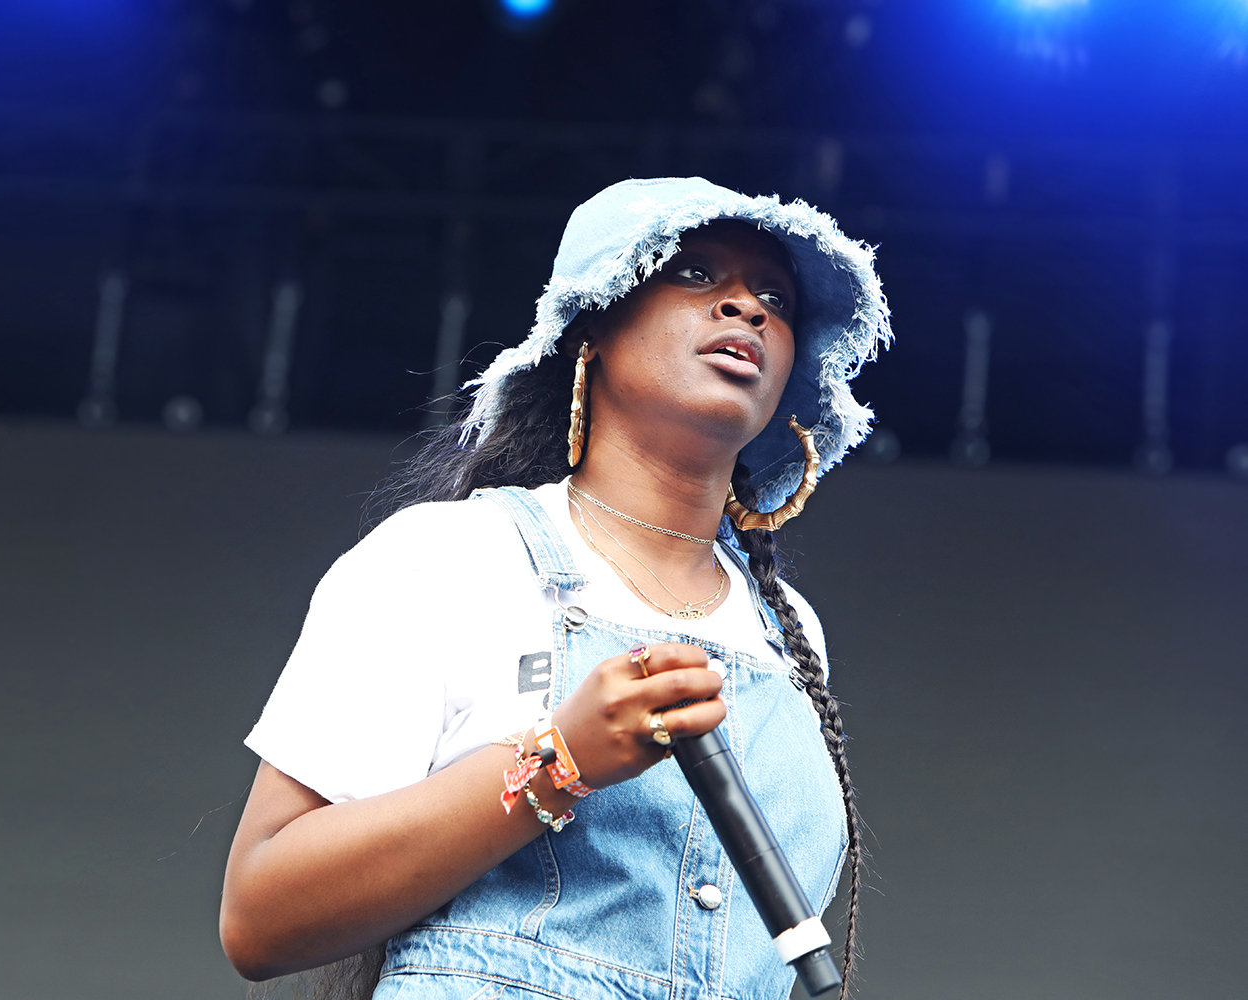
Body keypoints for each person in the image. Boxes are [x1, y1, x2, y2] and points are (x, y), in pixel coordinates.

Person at [220, 176, 892, 1000]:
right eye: (694, 273)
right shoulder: (454, 556)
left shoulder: (790, 638)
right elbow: (260, 915)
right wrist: (556, 761)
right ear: (592, 326)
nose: (745, 308)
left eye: (775, 298)